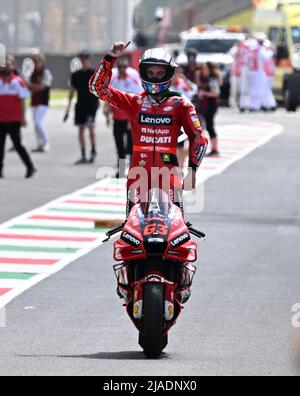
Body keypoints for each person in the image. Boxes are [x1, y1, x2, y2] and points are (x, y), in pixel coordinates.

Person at [89, 42, 208, 214]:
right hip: (138, 174)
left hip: (170, 174)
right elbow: (96, 87)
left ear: (169, 74)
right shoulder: (134, 102)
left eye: (160, 73)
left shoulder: (180, 103)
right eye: (150, 73)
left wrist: (192, 171)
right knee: (133, 229)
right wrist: (110, 57)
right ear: (143, 73)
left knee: (175, 229)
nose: (155, 77)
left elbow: (198, 138)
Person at [103, 56, 143, 176]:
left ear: (127, 67)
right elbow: (109, 97)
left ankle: (132, 169)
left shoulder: (132, 79)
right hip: (117, 117)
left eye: (123, 67)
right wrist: (107, 112)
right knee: (119, 145)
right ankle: (121, 170)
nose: (121, 69)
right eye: (119, 67)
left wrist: (134, 117)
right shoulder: (114, 79)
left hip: (129, 119)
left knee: (130, 146)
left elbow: (137, 99)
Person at [0, 55, 36, 178]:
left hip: (14, 119)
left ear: (13, 66)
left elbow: (22, 101)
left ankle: (30, 166)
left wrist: (23, 118)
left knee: (17, 144)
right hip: (1, 119)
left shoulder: (18, 82)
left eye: (8, 64)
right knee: (0, 145)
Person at [64, 50, 99, 165]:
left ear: (89, 59)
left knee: (91, 128)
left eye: (86, 58)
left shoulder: (94, 73)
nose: (84, 60)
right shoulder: (75, 75)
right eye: (82, 58)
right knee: (80, 129)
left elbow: (101, 88)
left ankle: (93, 150)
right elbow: (71, 92)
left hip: (91, 104)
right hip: (80, 105)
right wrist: (67, 110)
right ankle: (83, 154)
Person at [26, 53, 53, 152]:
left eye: (36, 61)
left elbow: (42, 87)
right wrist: (33, 87)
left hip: (43, 101)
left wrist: (33, 87)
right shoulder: (33, 73)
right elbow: (29, 87)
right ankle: (39, 143)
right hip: (34, 101)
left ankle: (45, 141)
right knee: (35, 124)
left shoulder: (45, 73)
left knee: (38, 121)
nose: (35, 63)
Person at [197, 62, 221, 156]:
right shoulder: (203, 79)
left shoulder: (212, 80)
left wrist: (204, 93)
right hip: (204, 105)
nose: (204, 71)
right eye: (203, 69)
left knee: (210, 126)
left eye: (206, 69)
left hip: (211, 105)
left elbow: (215, 93)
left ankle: (215, 149)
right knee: (203, 126)